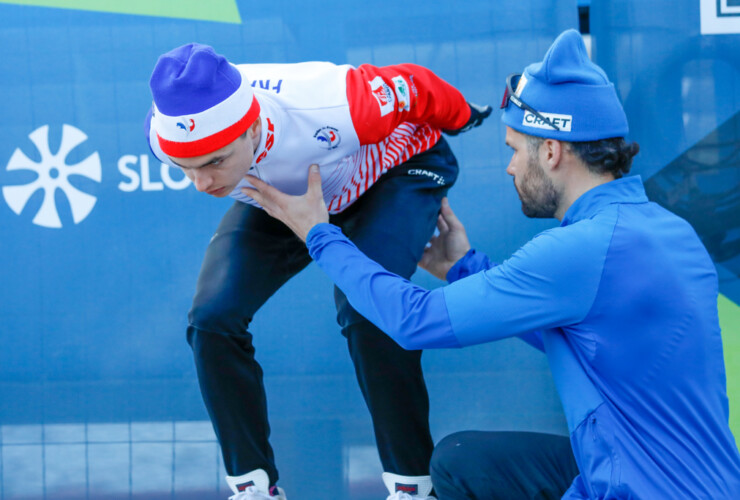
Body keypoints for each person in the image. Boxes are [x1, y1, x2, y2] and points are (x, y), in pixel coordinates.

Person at [246, 29, 740, 499]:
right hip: (689, 479)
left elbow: (415, 321)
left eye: (513, 150)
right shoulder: (668, 233)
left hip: (640, 487)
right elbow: (586, 337)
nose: (508, 167)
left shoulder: (583, 249)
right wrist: (461, 266)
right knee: (465, 461)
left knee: (459, 463)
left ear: (550, 151)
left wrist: (319, 234)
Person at [144, 43, 491, 500]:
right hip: (288, 197)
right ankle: (253, 487)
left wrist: (464, 114)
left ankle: (414, 486)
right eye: (185, 168)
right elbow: (204, 160)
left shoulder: (335, 102)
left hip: (392, 174)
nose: (204, 184)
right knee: (211, 319)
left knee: (370, 311)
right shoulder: (163, 129)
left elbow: (416, 86)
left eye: (213, 162)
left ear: (251, 128)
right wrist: (218, 165)